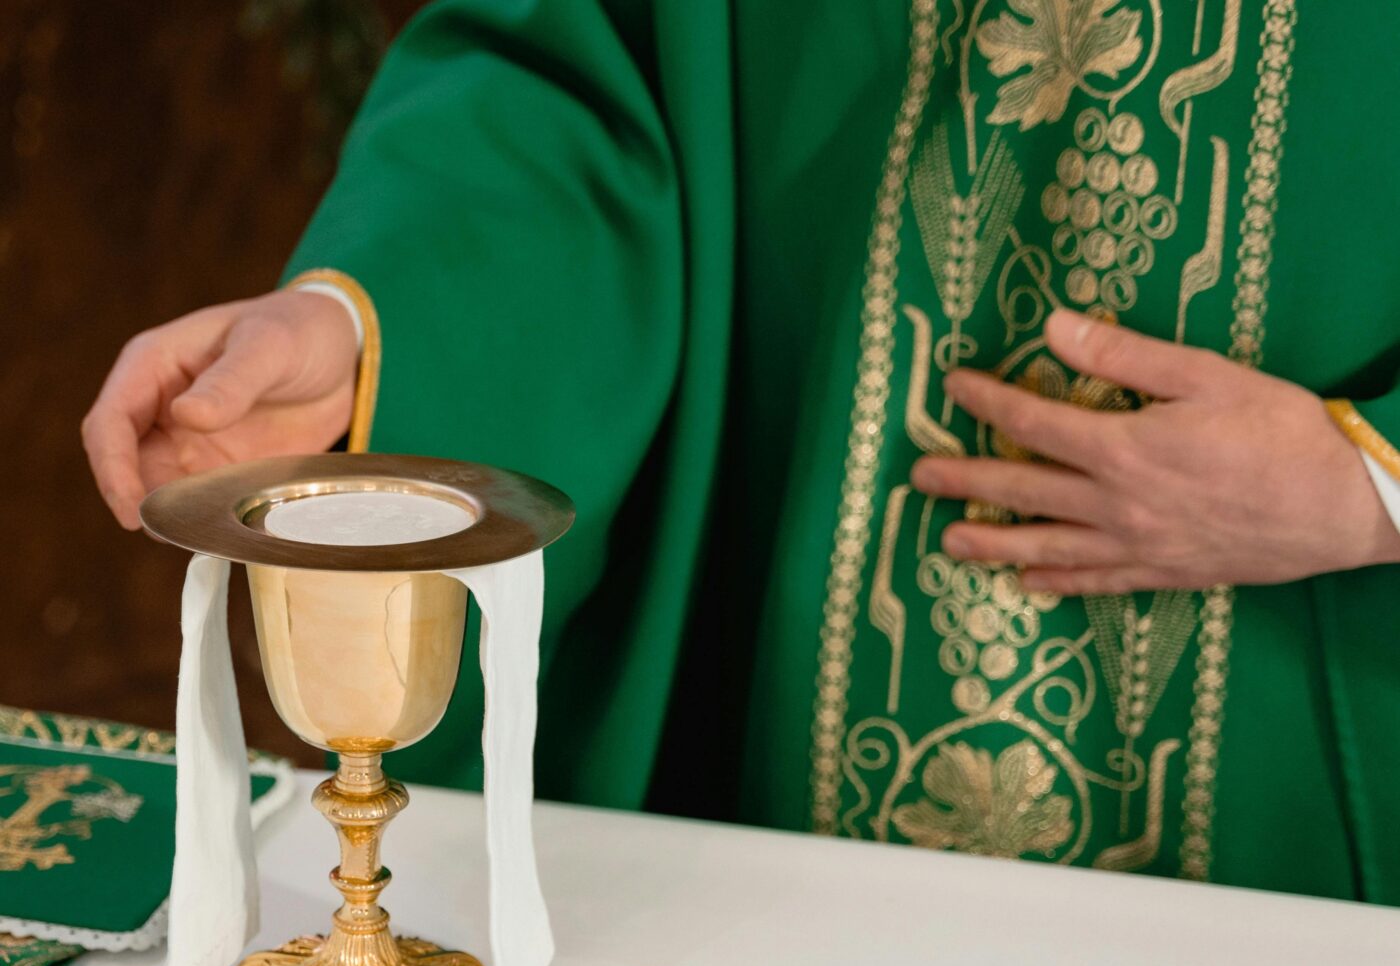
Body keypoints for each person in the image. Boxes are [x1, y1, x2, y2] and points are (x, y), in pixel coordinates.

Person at [83, 0, 1400, 902]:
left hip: (1303, 722)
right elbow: (590, 77)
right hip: (773, 781)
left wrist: (1368, 483)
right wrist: (376, 324)